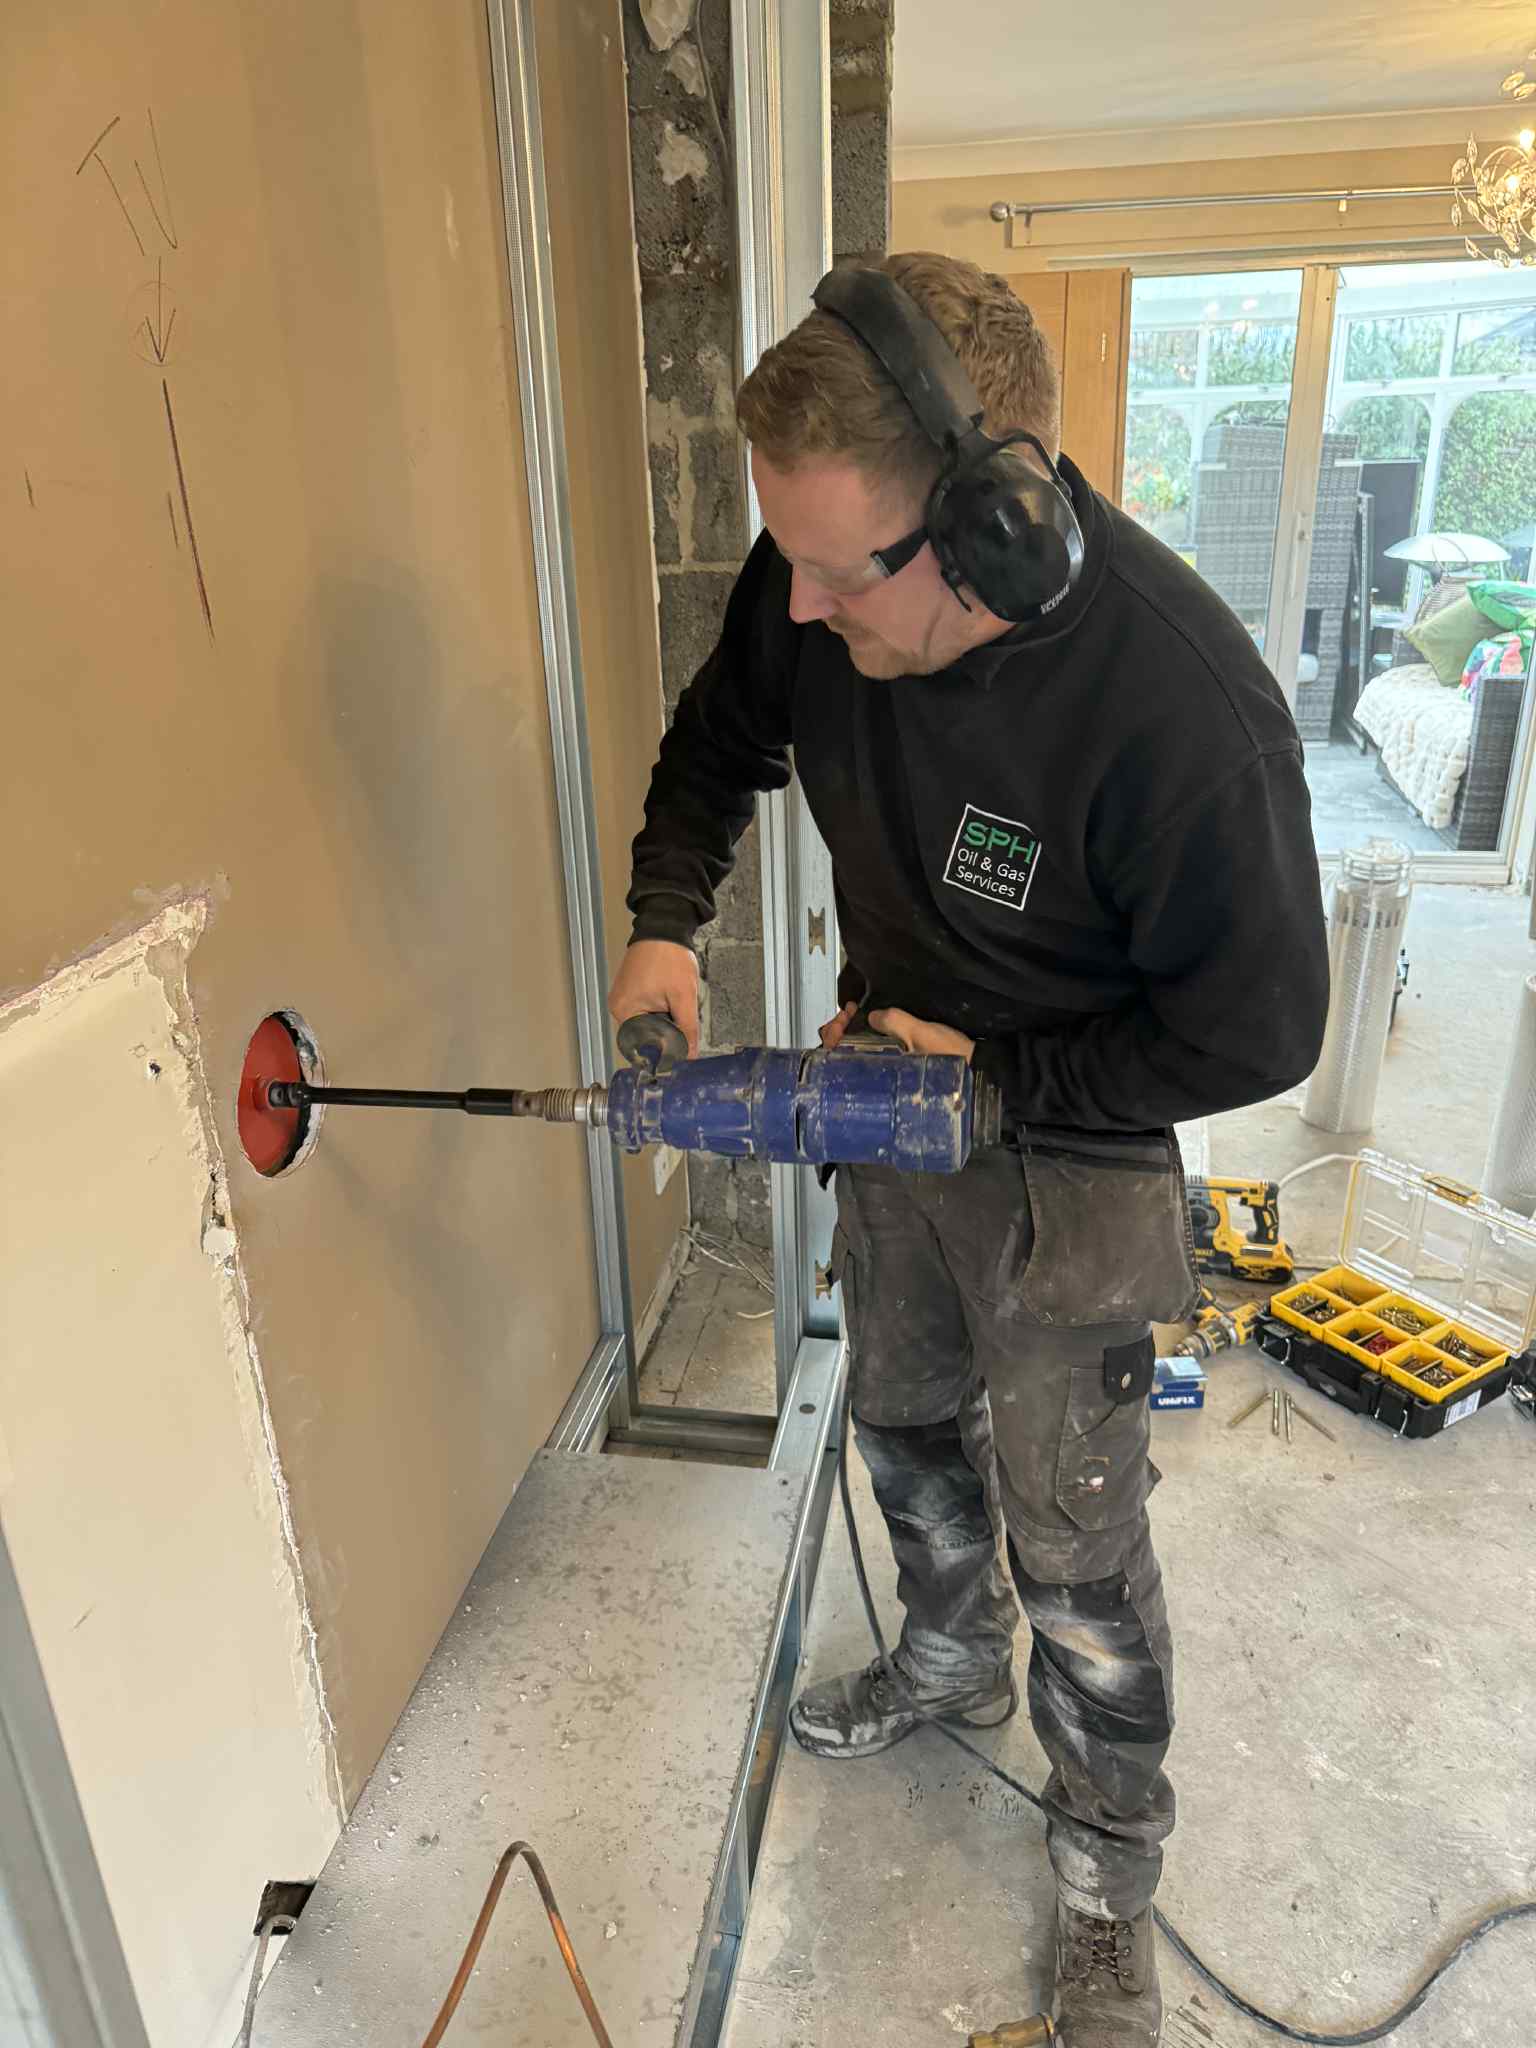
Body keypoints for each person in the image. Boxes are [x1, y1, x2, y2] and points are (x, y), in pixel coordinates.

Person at [608, 249, 1328, 2047]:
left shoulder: (1185, 712)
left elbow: (1257, 1033)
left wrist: (997, 1086)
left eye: (842, 572)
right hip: (894, 1095)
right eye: (785, 558)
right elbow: (715, 743)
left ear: (995, 531)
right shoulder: (816, 578)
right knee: (903, 1421)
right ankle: (945, 1661)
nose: (801, 604)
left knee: (1076, 1542)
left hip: (1074, 1138)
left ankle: (1109, 1868)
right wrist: (664, 918)